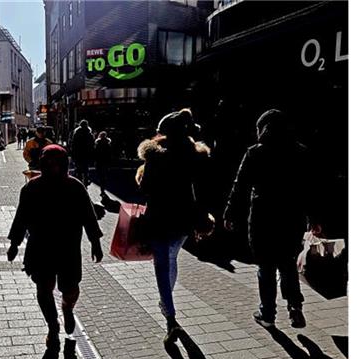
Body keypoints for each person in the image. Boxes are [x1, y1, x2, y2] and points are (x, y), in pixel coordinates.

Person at [224, 109, 317, 329]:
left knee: (265, 266)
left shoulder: (255, 152)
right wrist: (314, 218)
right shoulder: (300, 151)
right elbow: (310, 189)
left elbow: (241, 185)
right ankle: (295, 306)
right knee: (287, 264)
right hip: (291, 217)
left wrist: (230, 213)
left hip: (262, 217)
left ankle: (267, 314)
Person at [8, 144, 104, 345]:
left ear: (64, 164)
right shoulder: (31, 188)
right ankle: (52, 326)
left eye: (57, 163)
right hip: (40, 247)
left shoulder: (75, 187)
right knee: (43, 289)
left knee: (70, 288)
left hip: (68, 247)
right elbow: (21, 217)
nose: (52, 167)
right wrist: (14, 243)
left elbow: (89, 216)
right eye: (48, 163)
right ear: (42, 164)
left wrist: (95, 242)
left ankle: (67, 307)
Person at [136, 109, 212, 341]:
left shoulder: (156, 156)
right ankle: (166, 301)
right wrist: (202, 219)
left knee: (162, 265)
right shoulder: (195, 156)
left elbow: (145, 188)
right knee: (171, 258)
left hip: (159, 218)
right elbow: (203, 191)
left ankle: (170, 318)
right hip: (183, 219)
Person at [71, 120, 95, 187]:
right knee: (85, 169)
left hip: (78, 154)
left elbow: (73, 145)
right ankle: (86, 182)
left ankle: (79, 183)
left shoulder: (76, 134)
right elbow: (92, 146)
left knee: (78, 169)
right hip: (86, 154)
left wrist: (73, 155)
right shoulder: (89, 134)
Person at [94, 131, 113, 197]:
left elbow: (95, 153)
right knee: (104, 175)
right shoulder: (108, 144)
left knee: (100, 175)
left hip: (99, 162)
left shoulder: (98, 143)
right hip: (105, 162)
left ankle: (102, 187)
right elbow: (110, 154)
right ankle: (103, 188)